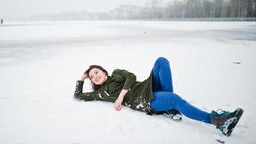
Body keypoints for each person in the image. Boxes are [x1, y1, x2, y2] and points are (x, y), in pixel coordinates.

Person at [74, 57, 243, 137]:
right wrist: (81, 78)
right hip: (143, 101)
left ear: (103, 70)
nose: (95, 76)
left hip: (146, 86)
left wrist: (120, 97)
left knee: (161, 61)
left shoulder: (117, 73)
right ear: (93, 81)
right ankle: (218, 121)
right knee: (174, 99)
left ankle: (169, 108)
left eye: (96, 72)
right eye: (92, 76)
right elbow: (79, 95)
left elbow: (131, 77)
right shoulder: (100, 93)